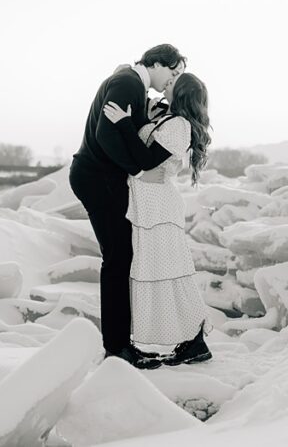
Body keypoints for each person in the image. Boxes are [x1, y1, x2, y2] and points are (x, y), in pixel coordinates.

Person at [69, 44, 186, 369]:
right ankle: (117, 349)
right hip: (99, 178)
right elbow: (105, 134)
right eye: (173, 73)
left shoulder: (129, 83)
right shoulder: (128, 83)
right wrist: (136, 169)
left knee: (120, 259)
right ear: (160, 63)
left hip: (100, 177)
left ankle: (120, 345)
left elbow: (118, 132)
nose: (171, 82)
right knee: (118, 260)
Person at [101, 72, 213, 366]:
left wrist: (125, 123)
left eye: (173, 83)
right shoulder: (167, 119)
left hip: (159, 207)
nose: (167, 84)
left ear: (182, 94)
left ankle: (195, 340)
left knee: (171, 271)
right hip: (146, 204)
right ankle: (188, 340)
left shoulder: (179, 126)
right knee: (159, 271)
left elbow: (147, 160)